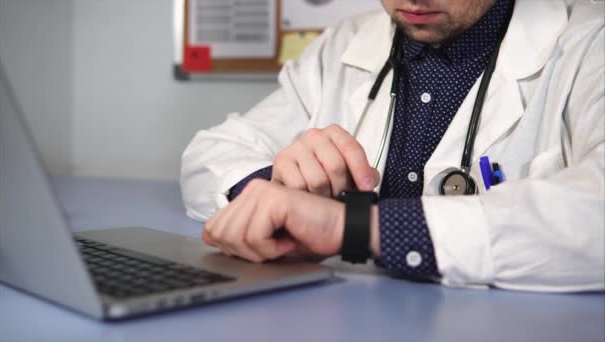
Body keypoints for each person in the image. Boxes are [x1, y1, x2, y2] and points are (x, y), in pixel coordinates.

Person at [180, 0, 605, 292]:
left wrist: (354, 228)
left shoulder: (589, 44)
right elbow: (212, 155)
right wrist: (274, 196)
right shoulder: (345, 42)